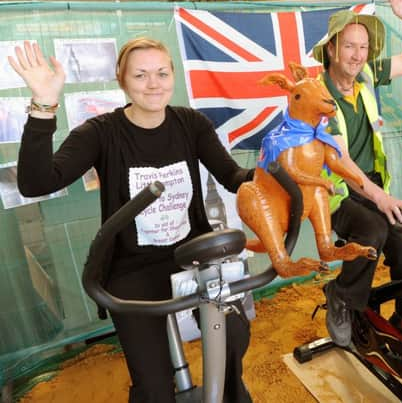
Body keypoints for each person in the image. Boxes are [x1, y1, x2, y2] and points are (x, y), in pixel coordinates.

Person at [9, 38, 254, 403]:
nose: (153, 83)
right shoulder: (101, 133)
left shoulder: (191, 124)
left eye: (161, 73)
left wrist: (279, 171)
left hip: (194, 257)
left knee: (234, 334)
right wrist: (44, 104)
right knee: (154, 388)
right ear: (121, 80)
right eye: (140, 75)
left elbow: (234, 177)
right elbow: (35, 183)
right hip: (131, 267)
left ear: (172, 75)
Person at [311, 0, 402, 347]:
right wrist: (382, 199)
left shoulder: (366, 74)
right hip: (335, 194)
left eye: (363, 47)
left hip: (372, 184)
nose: (358, 54)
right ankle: (341, 297)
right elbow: (341, 160)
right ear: (332, 49)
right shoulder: (317, 95)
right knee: (373, 232)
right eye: (349, 46)